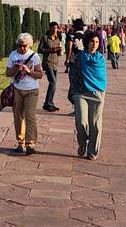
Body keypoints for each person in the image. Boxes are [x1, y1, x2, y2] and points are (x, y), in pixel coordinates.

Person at [70, 31, 107, 160]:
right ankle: (82, 143)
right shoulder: (79, 56)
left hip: (96, 93)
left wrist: (103, 95)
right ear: (87, 42)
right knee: (81, 122)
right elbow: (72, 73)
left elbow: (103, 79)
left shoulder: (100, 59)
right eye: (92, 41)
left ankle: (92, 151)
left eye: (97, 42)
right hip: (81, 92)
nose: (94, 44)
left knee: (95, 124)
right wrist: (73, 90)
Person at [6, 33, 43, 155]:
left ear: (29, 45)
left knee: (30, 116)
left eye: (24, 46)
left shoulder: (34, 56)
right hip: (17, 89)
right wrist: (16, 69)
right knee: (18, 117)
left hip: (31, 90)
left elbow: (40, 75)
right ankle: (21, 143)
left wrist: (28, 71)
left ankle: (31, 143)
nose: (22, 48)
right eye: (20, 45)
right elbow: (7, 73)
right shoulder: (13, 54)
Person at [38, 21, 62, 112]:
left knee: (54, 84)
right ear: (50, 28)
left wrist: (59, 51)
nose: (55, 29)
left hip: (55, 63)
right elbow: (40, 49)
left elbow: (59, 53)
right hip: (48, 63)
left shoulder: (57, 39)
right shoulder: (45, 38)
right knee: (53, 82)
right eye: (53, 27)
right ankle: (48, 104)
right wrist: (50, 50)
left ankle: (49, 103)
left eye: (56, 27)